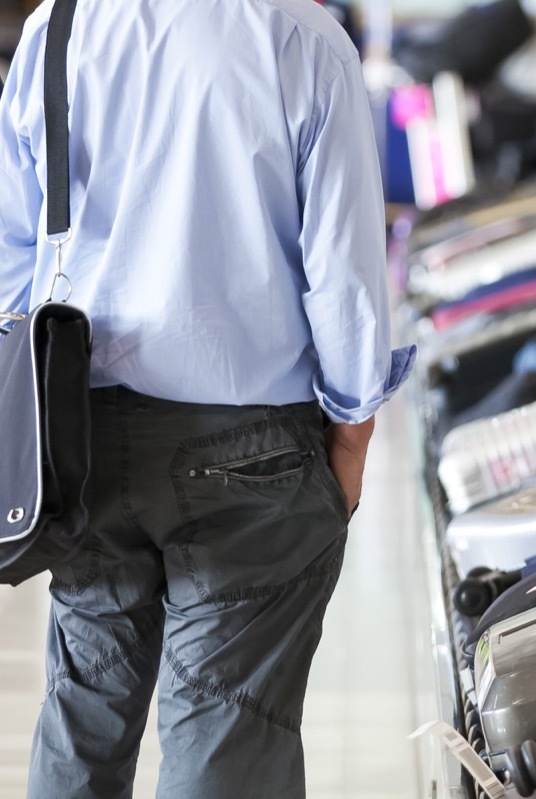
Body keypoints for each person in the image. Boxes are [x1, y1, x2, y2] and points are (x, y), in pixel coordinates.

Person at [0, 0, 414, 796]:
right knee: (229, 725)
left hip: (81, 442)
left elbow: (16, 252)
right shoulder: (304, 38)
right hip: (253, 447)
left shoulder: (56, 28)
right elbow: (345, 272)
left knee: (84, 710)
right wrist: (352, 435)